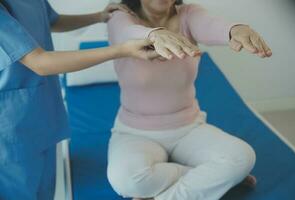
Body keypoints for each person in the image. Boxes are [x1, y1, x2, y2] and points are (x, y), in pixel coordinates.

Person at [106, 0, 272, 200]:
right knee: (126, 181)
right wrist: (154, 34)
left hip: (188, 128)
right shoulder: (120, 17)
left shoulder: (189, 14)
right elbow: (126, 33)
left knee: (242, 156)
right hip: (134, 132)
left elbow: (211, 24)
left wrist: (236, 29)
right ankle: (208, 177)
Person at [0, 1, 161, 200]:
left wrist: (98, 17)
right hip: (12, 131)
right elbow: (40, 62)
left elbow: (53, 21)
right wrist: (122, 50)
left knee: (44, 192)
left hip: (42, 116)